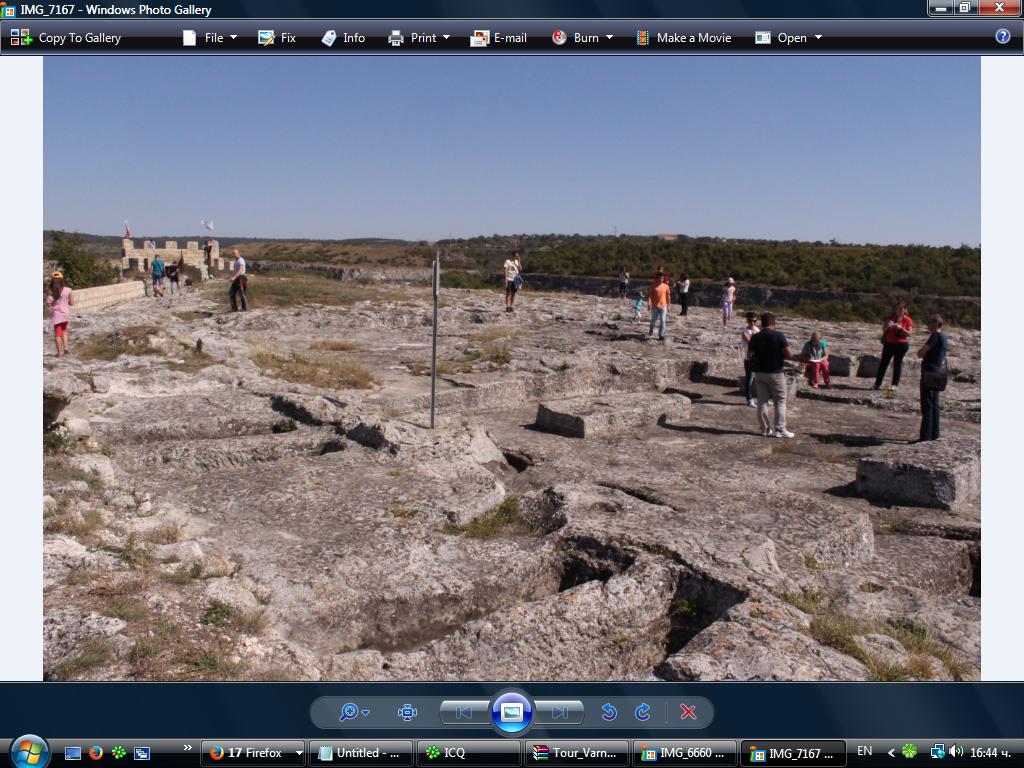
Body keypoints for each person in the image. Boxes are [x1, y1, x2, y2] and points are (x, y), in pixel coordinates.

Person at [747, 312, 795, 438]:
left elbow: (749, 355)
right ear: (774, 323)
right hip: (776, 373)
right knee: (780, 401)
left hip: (759, 373)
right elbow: (790, 355)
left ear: (762, 323)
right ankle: (780, 429)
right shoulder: (778, 335)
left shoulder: (755, 337)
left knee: (762, 402)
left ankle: (765, 429)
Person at [917, 315, 948, 442]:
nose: (927, 325)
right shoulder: (944, 337)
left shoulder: (935, 336)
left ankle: (925, 436)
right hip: (938, 372)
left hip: (929, 373)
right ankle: (935, 433)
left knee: (927, 405)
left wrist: (921, 352)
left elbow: (921, 352)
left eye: (929, 322)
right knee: (934, 404)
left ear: (936, 323)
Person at [873, 303, 913, 390]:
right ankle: (877, 384)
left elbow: (909, 333)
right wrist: (888, 325)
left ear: (904, 310)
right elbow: (883, 329)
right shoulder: (891, 317)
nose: (898, 311)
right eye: (897, 309)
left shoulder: (907, 320)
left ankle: (894, 384)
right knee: (883, 363)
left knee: (897, 364)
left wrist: (901, 328)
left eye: (901, 310)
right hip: (889, 343)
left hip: (901, 344)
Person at [45, 271, 74, 358]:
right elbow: (72, 303)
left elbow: (49, 305)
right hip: (65, 315)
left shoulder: (50, 293)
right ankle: (65, 348)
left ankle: (59, 353)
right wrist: (65, 301)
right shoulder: (68, 290)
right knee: (64, 330)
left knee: (57, 334)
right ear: (62, 280)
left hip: (57, 317)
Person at [740, 311, 759, 407]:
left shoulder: (757, 329)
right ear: (747, 321)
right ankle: (749, 399)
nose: (753, 323)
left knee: (761, 378)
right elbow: (751, 342)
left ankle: (762, 398)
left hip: (758, 357)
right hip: (749, 358)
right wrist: (756, 336)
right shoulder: (744, 331)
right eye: (751, 321)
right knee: (749, 379)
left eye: (755, 321)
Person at [648, 274, 671, 341]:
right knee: (653, 320)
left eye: (662, 278)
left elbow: (668, 296)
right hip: (655, 306)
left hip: (663, 306)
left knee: (663, 321)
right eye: (659, 278)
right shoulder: (653, 286)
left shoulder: (666, 286)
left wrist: (668, 305)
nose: (661, 280)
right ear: (657, 278)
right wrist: (649, 304)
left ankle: (661, 335)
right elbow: (650, 296)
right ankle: (651, 328)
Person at [229, 247, 248, 312]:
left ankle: (244, 308)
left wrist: (234, 277)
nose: (233, 255)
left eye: (234, 254)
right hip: (236, 279)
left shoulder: (241, 260)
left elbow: (241, 269)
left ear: (237, 253)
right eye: (233, 254)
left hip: (241, 279)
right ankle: (234, 309)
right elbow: (236, 270)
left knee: (242, 293)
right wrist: (233, 277)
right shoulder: (236, 261)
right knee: (231, 293)